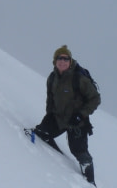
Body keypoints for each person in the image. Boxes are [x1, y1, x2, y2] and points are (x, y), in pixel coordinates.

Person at [33, 45, 101, 186]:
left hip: (77, 123)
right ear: (55, 61)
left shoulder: (79, 79)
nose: (62, 61)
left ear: (70, 61)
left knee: (80, 152)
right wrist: (48, 117)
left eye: (66, 58)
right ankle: (57, 156)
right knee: (41, 132)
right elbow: (50, 99)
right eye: (60, 58)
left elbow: (95, 99)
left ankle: (90, 182)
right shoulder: (52, 78)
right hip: (58, 118)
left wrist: (81, 115)